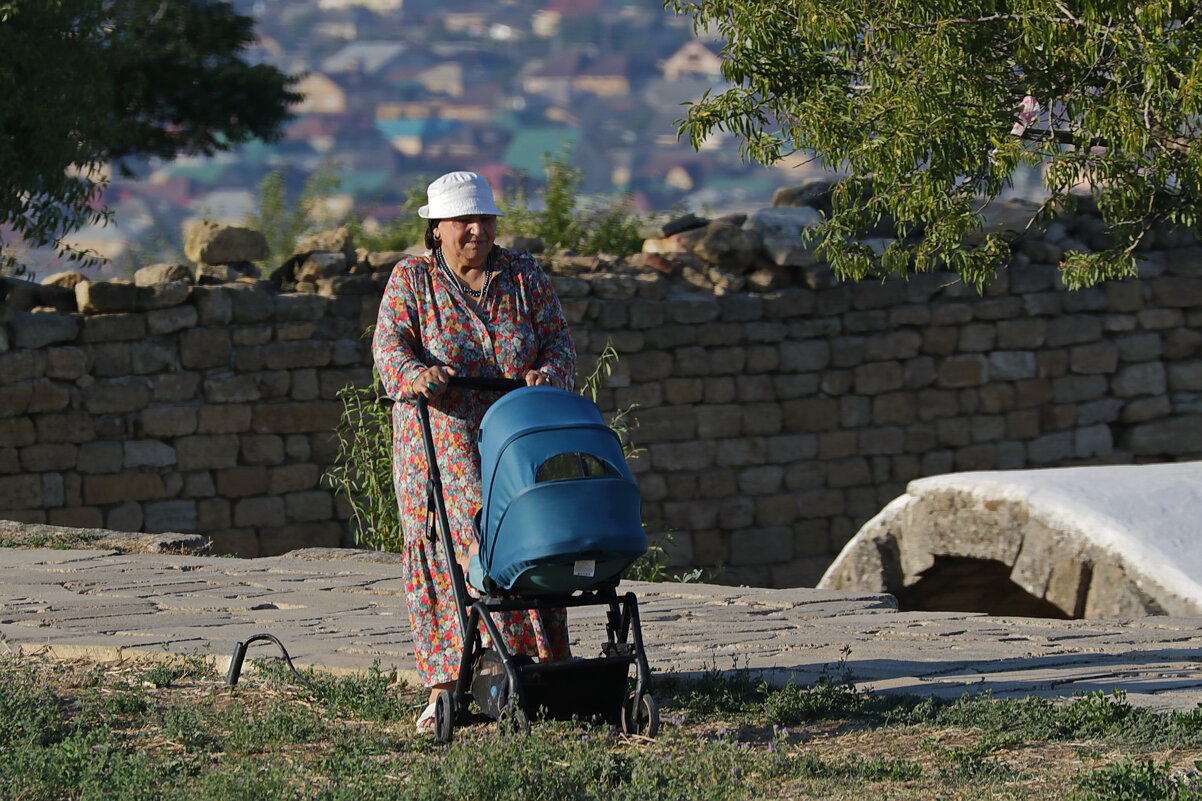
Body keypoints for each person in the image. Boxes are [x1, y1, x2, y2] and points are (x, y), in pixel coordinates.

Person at [372, 171, 576, 732]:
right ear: (436, 228)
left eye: (483, 219)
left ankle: (537, 668)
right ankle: (447, 684)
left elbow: (558, 337)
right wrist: (419, 374)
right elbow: (388, 350)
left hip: (516, 429)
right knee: (460, 542)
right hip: (441, 437)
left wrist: (548, 373)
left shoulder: (524, 277)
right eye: (462, 221)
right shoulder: (412, 280)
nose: (475, 231)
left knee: (527, 535)